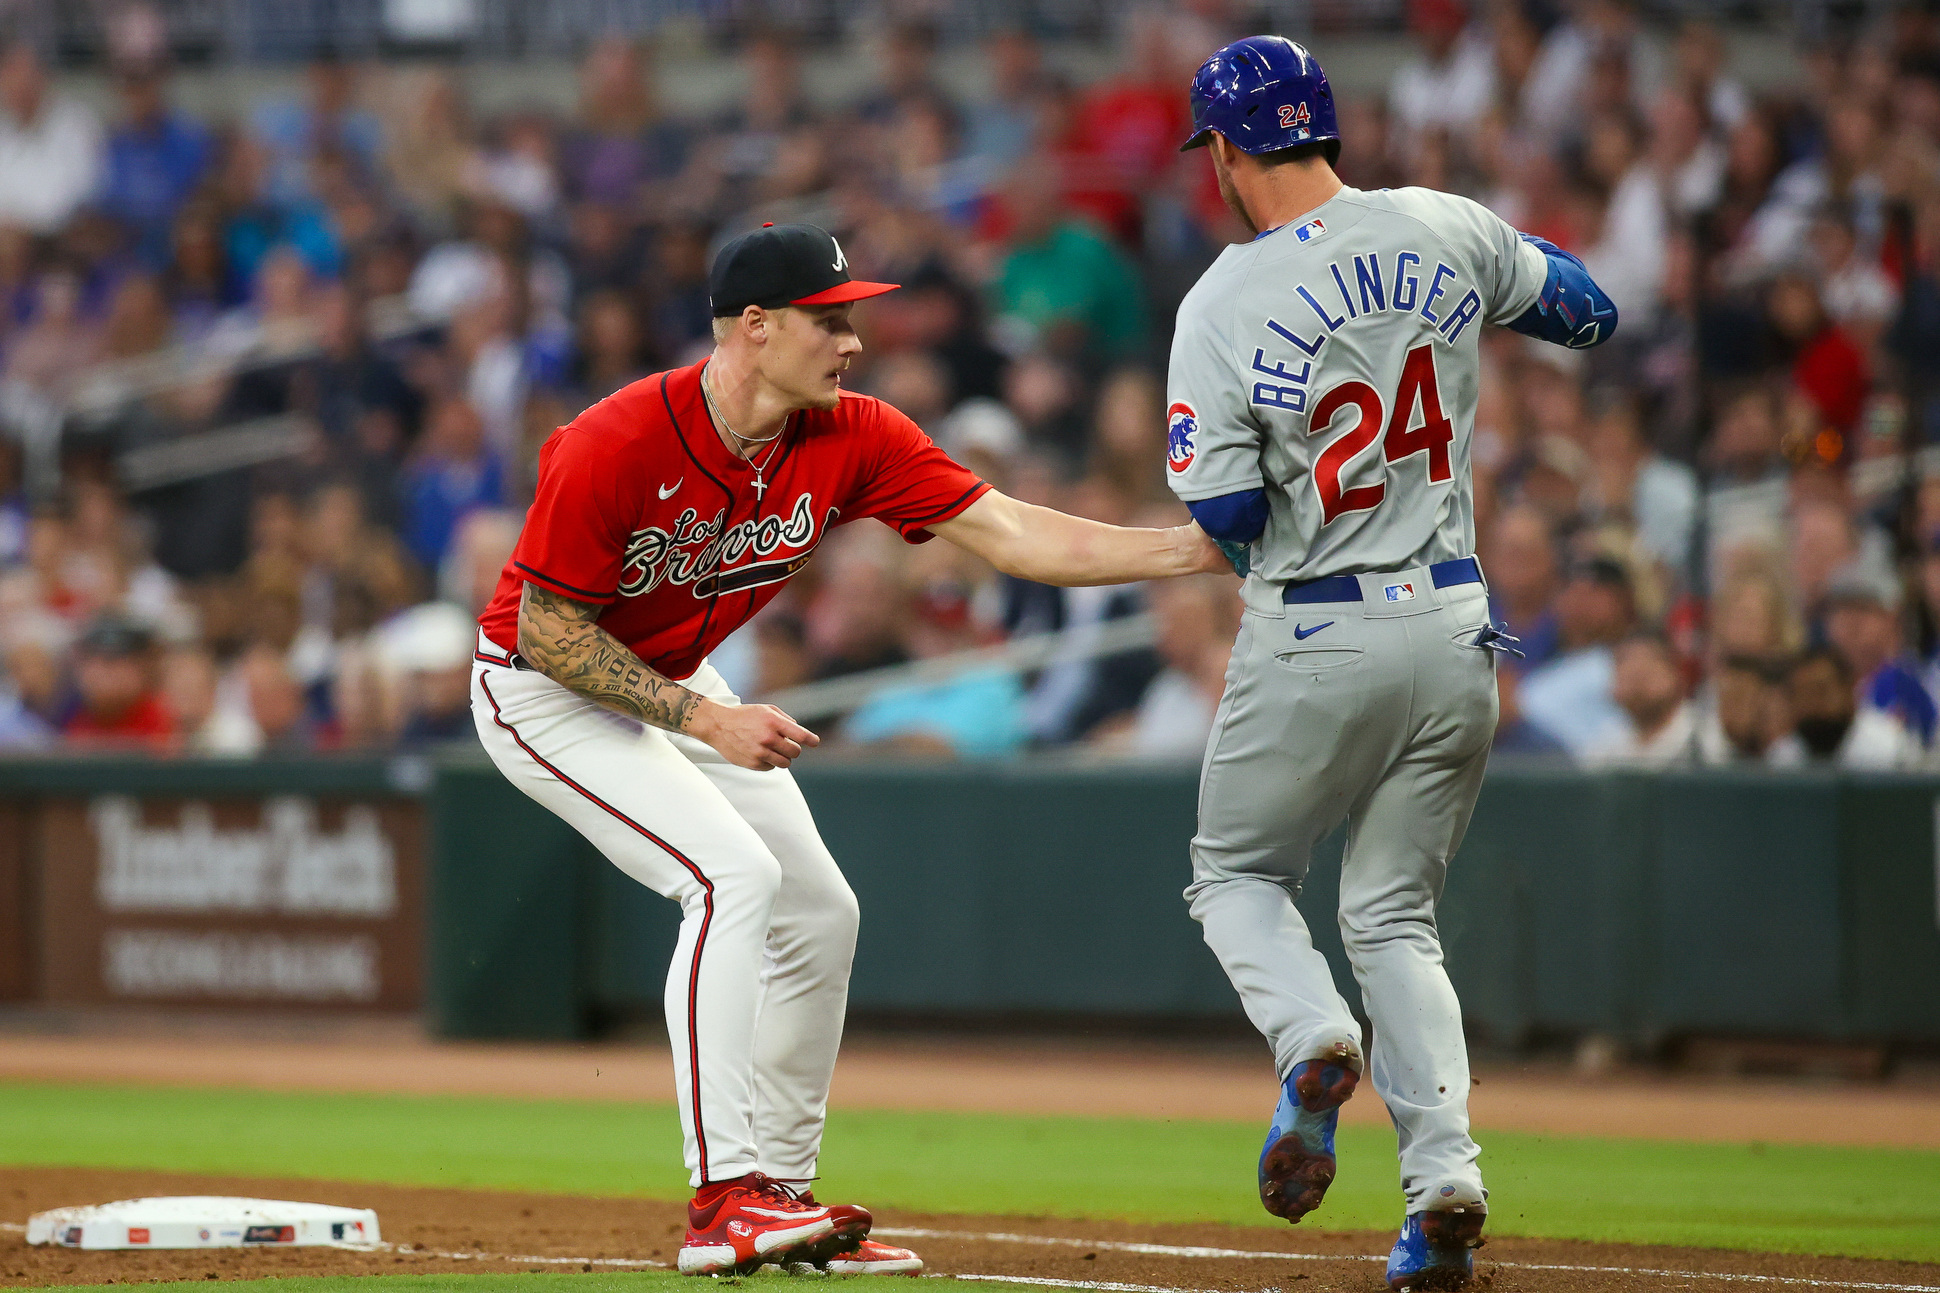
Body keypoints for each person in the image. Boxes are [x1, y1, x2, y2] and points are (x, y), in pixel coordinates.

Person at [468, 223, 1224, 1279]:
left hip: (672, 679)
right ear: (754, 328)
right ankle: (722, 1200)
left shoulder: (851, 434)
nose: (853, 340)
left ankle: (781, 1200)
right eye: (831, 320)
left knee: (821, 912)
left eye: (852, 318)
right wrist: (703, 720)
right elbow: (548, 632)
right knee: (731, 878)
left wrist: (1194, 545)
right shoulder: (617, 437)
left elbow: (1015, 537)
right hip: (536, 689)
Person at [1161, 37, 1614, 1293]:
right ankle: (1443, 1184)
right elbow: (1586, 309)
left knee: (1236, 872)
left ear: (1230, 153)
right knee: (1393, 915)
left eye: (1213, 151)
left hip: (1316, 620)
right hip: (1457, 620)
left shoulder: (1219, 300)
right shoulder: (1439, 222)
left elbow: (1229, 520)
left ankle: (1310, 1037)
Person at [1585, 631, 1698, 766]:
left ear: (1677, 672)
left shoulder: (1705, 738)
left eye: (1648, 665)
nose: (1636, 675)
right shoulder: (1606, 747)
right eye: (1624, 663)